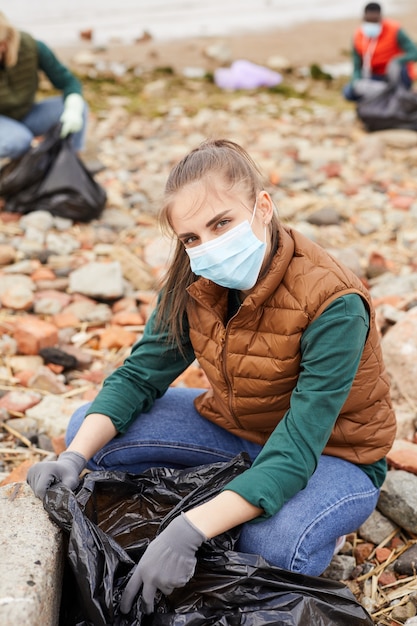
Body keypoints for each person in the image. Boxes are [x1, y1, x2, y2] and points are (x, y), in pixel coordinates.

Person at [27, 139, 396, 615]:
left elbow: (297, 448)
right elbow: (141, 374)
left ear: (263, 207)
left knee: (272, 550)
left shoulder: (334, 302)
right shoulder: (194, 278)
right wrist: (74, 458)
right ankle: (234, 496)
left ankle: (293, 512)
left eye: (221, 222)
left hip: (332, 453)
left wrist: (190, 530)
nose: (208, 246)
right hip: (238, 426)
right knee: (91, 434)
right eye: (191, 237)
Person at [0, 11, 88, 160]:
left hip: (28, 114)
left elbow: (68, 82)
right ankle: (14, 174)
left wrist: (73, 108)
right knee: (19, 140)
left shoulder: (31, 47)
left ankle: (73, 162)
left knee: (79, 108)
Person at [343, 2, 417, 101]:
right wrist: (355, 81)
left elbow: (414, 52)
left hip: (394, 76)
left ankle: (398, 94)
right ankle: (379, 99)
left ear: (380, 18)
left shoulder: (394, 30)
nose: (372, 23)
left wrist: (397, 61)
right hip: (373, 77)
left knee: (401, 71)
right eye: (369, 20)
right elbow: (357, 66)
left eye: (375, 20)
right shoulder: (358, 35)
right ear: (364, 18)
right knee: (349, 91)